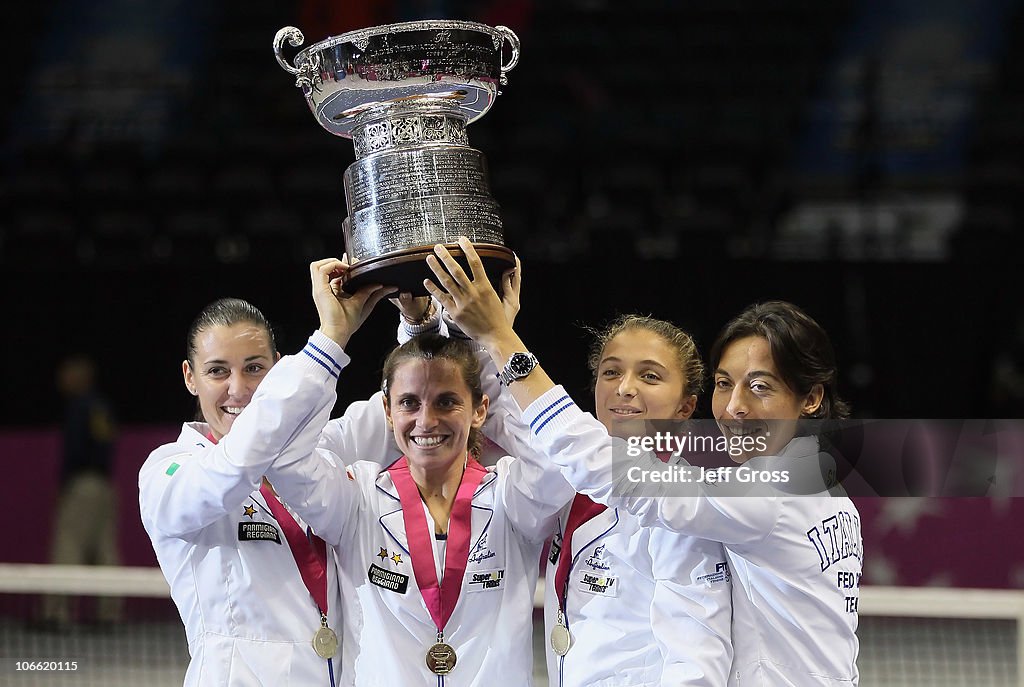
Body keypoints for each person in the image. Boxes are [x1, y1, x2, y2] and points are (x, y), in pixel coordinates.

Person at [425, 238, 862, 686]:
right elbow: (523, 424)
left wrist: (501, 337)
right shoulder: (829, 493)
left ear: (810, 398)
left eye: (761, 387)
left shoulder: (754, 496)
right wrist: (462, 331)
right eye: (726, 384)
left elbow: (696, 663)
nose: (734, 407)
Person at [229, 256, 569, 686]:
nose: (426, 421)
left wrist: (490, 339)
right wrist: (333, 337)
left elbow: (560, 459)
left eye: (447, 401)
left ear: (482, 409)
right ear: (387, 411)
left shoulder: (511, 496)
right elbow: (281, 455)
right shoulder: (357, 499)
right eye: (410, 402)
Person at [138, 278, 393, 687]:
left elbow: (407, 411)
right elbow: (236, 465)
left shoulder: (315, 455)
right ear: (190, 377)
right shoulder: (169, 472)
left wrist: (420, 323)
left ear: (278, 368)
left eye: (255, 368)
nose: (238, 389)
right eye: (217, 371)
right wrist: (329, 340)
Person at [43, 353, 120, 629]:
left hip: (82, 485)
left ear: (80, 377)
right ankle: (108, 614)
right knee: (104, 552)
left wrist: (66, 485)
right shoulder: (101, 407)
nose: (61, 379)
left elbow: (74, 451)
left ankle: (56, 613)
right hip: (104, 486)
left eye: (67, 373)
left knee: (68, 546)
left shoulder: (79, 407)